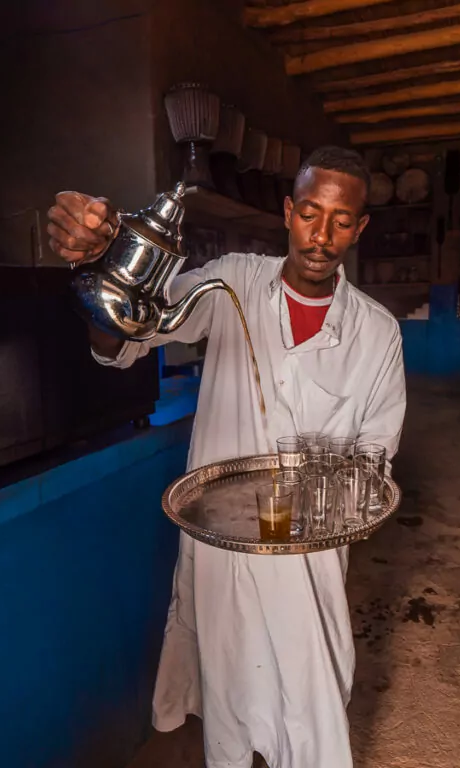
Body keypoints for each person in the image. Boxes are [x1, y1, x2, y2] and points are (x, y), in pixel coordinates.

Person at [46, 146, 406, 768]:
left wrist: (316, 497)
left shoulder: (376, 334)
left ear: (360, 227)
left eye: (341, 220)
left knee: (312, 716)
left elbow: (373, 463)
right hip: (220, 553)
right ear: (289, 212)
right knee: (229, 712)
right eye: (311, 214)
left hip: (307, 569)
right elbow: (126, 339)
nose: (322, 236)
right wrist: (104, 270)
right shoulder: (232, 281)